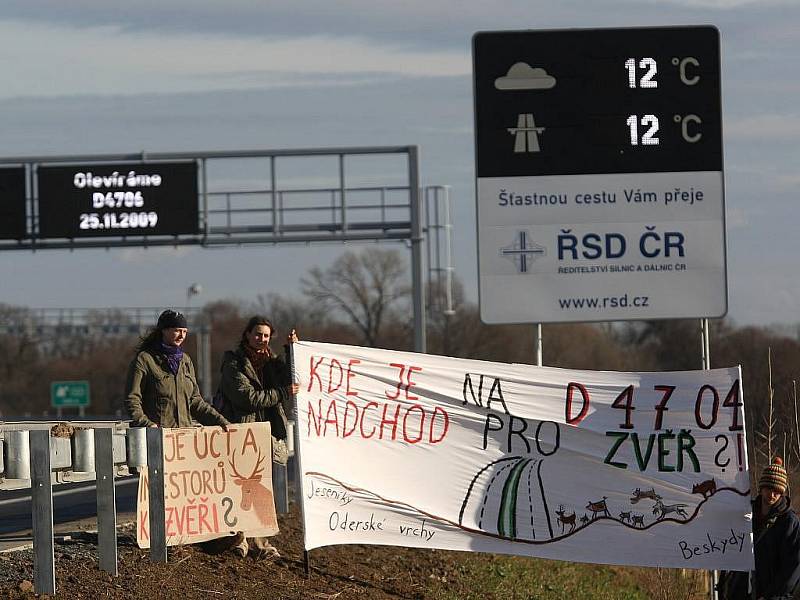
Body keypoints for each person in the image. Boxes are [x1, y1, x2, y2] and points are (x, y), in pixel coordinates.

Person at [216, 315, 299, 559]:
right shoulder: (233, 363)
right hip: (241, 433)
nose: (261, 339)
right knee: (239, 489)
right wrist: (282, 393)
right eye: (257, 334)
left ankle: (260, 544)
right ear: (247, 334)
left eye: (265, 335)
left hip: (265, 434)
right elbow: (247, 398)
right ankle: (239, 541)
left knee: (261, 491)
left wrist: (291, 349)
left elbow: (289, 376)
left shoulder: (271, 362)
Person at [124, 309, 229, 429]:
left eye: (184, 331)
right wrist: (147, 424)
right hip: (157, 438)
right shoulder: (145, 360)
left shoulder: (185, 361)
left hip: (184, 437)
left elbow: (195, 402)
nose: (181, 336)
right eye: (177, 331)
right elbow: (132, 399)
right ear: (164, 330)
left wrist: (222, 422)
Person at [719, 457, 800, 599]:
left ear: (782, 493)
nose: (772, 494)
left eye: (777, 491)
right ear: (762, 488)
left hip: (771, 595)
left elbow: (793, 567)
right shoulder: (746, 513)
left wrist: (771, 596)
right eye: (769, 488)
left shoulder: (789, 522)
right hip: (739, 592)